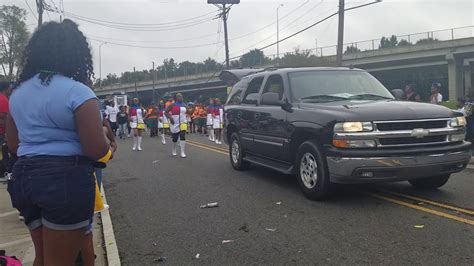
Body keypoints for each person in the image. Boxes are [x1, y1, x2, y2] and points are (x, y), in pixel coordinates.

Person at [6, 19, 112, 266]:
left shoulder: (18, 94)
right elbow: (96, 149)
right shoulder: (78, 93)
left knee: (43, 258)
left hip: (24, 178)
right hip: (65, 180)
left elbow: (14, 144)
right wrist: (107, 138)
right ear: (76, 53)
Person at [165, 93, 187, 158]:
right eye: (179, 96)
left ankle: (182, 152)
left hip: (183, 122)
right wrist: (170, 118)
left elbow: (189, 112)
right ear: (176, 98)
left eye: (181, 96)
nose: (181, 98)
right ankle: (174, 149)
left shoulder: (184, 105)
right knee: (175, 138)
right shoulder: (172, 105)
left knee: (182, 135)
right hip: (175, 122)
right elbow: (165, 112)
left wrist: (193, 107)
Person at [0, 81, 13, 183]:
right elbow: (4, 117)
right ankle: (5, 174)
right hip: (2, 131)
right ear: (6, 88)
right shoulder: (3, 100)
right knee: (5, 154)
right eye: (10, 87)